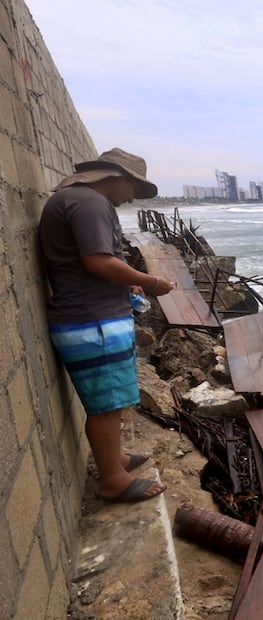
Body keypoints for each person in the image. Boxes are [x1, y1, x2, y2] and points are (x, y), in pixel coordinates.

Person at [39, 148, 176, 503]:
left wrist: (127, 283)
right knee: (106, 405)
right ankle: (112, 480)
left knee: (110, 400)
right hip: (92, 321)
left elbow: (92, 261)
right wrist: (151, 282)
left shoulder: (78, 200)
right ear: (115, 176)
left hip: (90, 316)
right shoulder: (90, 203)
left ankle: (115, 459)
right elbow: (98, 262)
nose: (132, 197)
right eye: (133, 187)